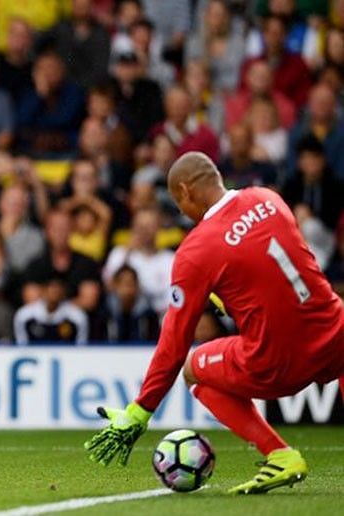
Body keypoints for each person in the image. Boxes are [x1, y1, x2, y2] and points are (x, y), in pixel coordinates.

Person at [85, 151, 344, 494]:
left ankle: (280, 454)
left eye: (178, 203)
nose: (181, 212)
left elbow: (175, 340)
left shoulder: (196, 250)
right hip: (334, 335)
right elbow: (282, 268)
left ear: (186, 191)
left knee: (193, 368)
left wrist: (140, 411)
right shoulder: (269, 198)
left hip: (277, 361)